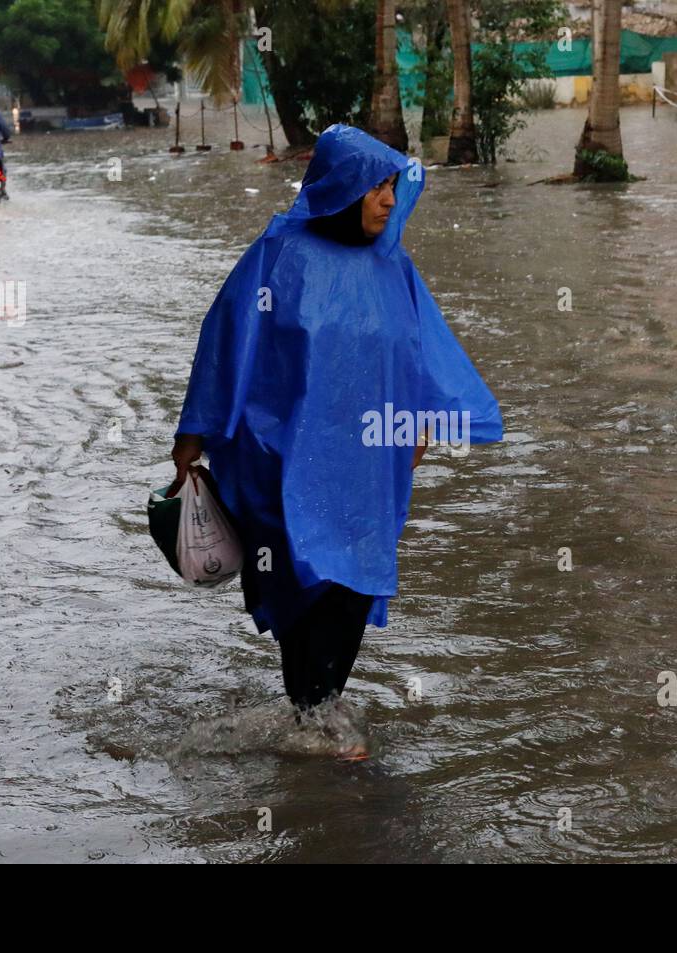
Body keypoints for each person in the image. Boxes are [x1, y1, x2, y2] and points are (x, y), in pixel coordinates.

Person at [171, 124, 502, 740]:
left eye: (390, 185)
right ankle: (316, 719)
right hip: (281, 456)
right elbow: (224, 343)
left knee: (353, 582)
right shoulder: (276, 255)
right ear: (341, 187)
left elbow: (423, 352)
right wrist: (193, 435)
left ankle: (317, 716)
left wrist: (424, 422)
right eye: (374, 185)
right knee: (302, 583)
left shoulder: (393, 267)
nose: (385, 198)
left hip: (370, 467)